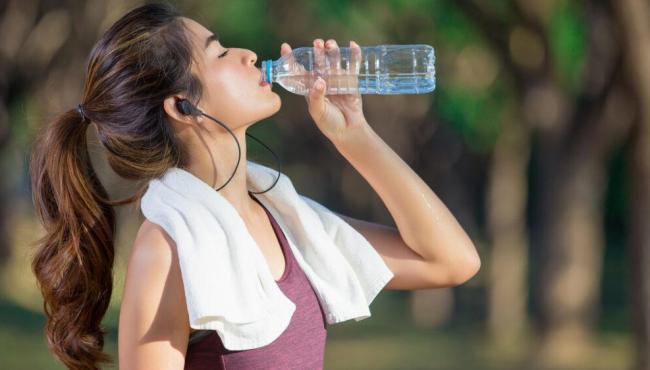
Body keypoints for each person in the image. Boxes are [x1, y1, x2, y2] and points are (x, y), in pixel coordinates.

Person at [29, 2, 481, 370]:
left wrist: (354, 135)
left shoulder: (289, 222)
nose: (247, 54)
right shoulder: (168, 248)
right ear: (183, 107)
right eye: (220, 53)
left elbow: (451, 262)